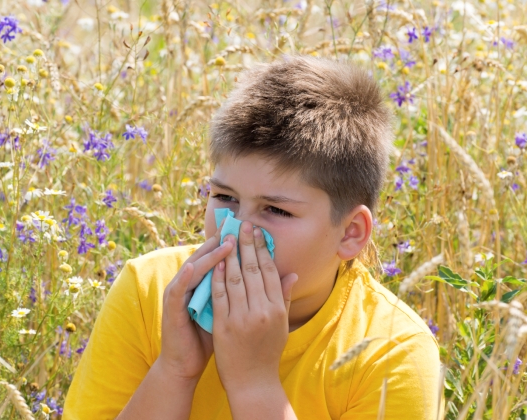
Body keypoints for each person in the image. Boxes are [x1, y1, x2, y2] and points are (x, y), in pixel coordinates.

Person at [62, 55, 442, 420]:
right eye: (224, 197)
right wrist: (175, 370)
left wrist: (254, 384)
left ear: (350, 233)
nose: (238, 230)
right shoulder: (150, 291)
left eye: (276, 210)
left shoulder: (392, 352)